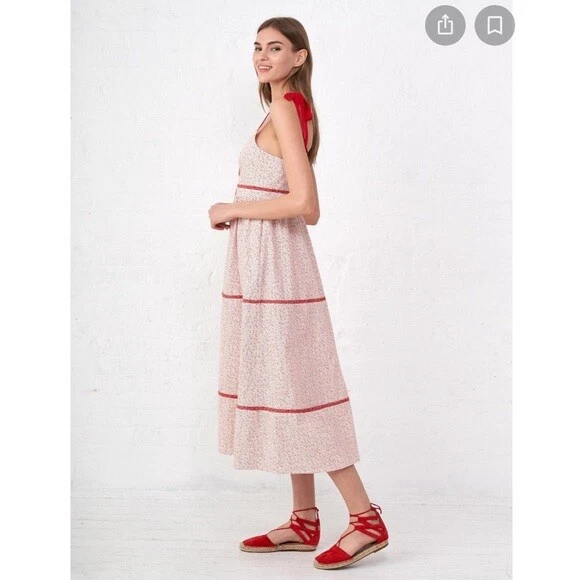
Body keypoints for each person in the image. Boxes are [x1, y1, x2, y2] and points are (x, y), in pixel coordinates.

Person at [208, 17, 389, 570]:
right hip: (268, 265)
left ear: (300, 57)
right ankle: (304, 519)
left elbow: (306, 205)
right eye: (257, 47)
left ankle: (365, 518)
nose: (262, 56)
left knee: (300, 389)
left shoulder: (286, 109)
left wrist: (232, 207)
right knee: (289, 386)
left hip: (278, 268)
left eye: (275, 47)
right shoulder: (285, 108)